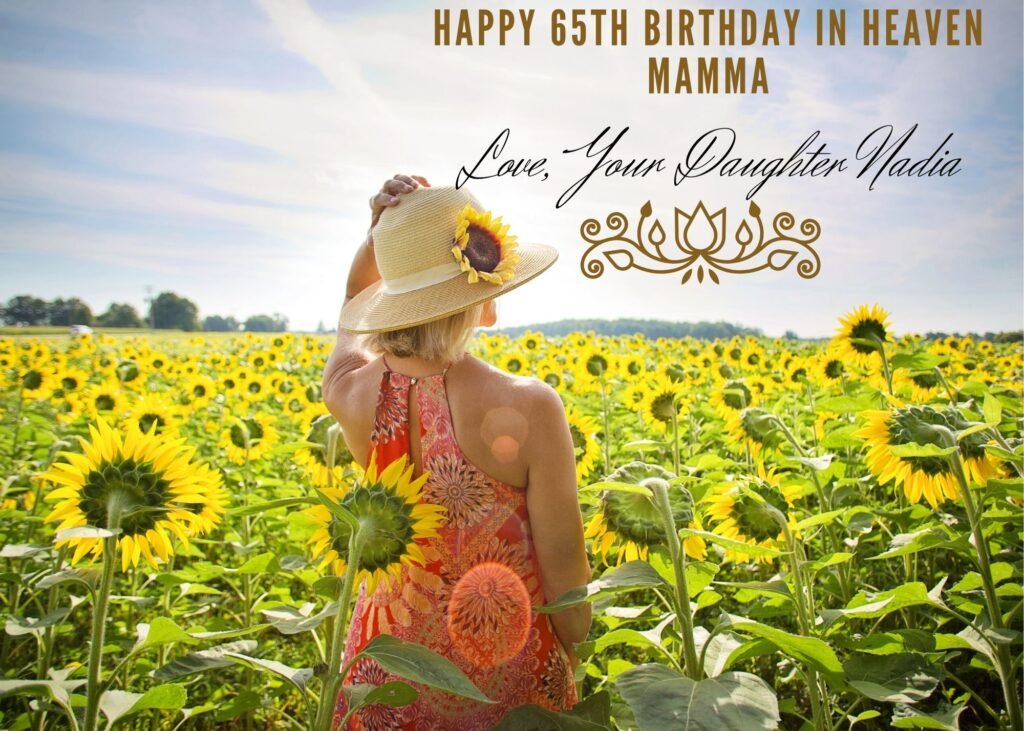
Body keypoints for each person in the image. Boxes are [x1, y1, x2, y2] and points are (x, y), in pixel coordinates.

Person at [321, 174, 593, 730]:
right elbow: (564, 561)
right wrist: (577, 656)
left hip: (385, 674)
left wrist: (380, 240)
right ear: (482, 299)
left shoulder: (350, 392)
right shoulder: (531, 406)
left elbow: (351, 309)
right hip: (505, 673)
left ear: (390, 299)